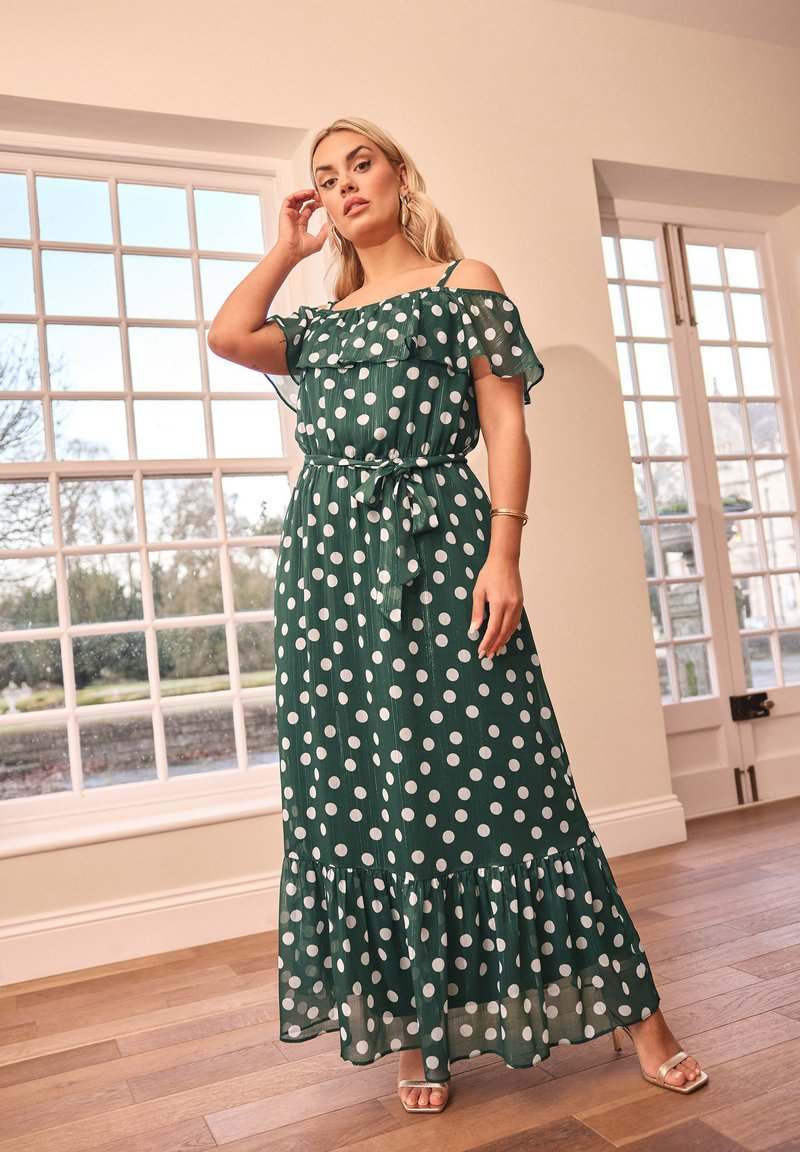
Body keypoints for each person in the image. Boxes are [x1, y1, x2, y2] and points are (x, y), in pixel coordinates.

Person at [207, 116, 708, 1115]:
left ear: (399, 176)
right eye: (325, 177)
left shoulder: (462, 284)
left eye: (360, 164)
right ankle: (415, 1029)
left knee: (519, 784)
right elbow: (227, 336)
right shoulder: (320, 323)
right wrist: (287, 249)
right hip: (330, 581)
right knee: (370, 797)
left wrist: (504, 551)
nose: (344, 185)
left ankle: (636, 1012)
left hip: (442, 552)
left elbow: (504, 423)